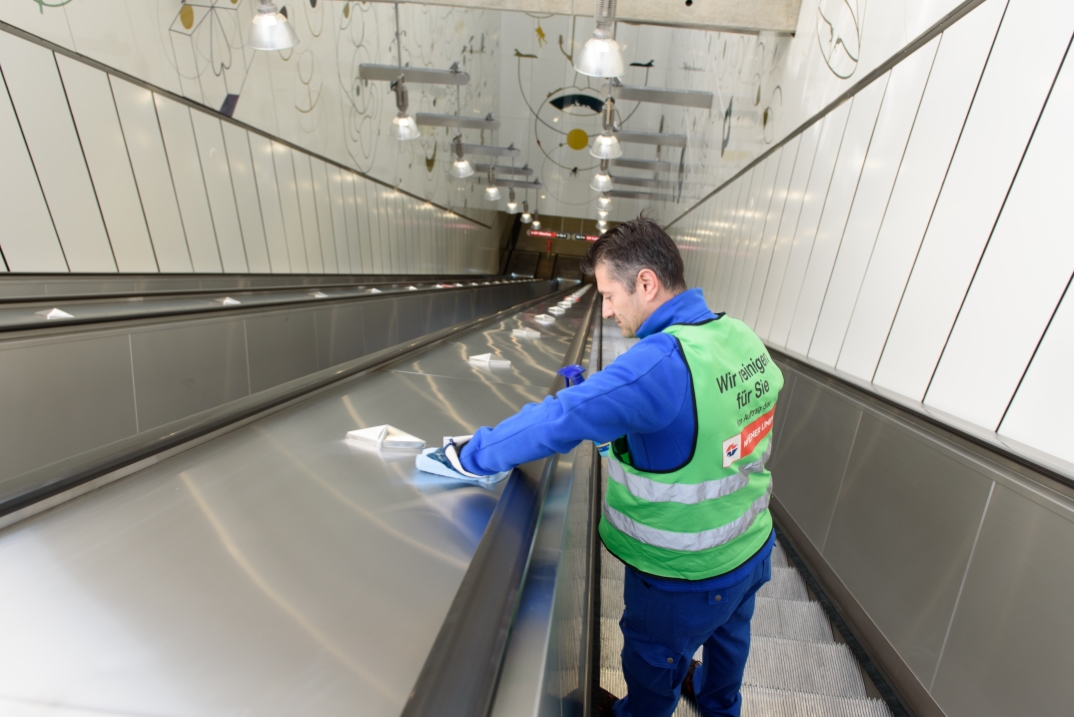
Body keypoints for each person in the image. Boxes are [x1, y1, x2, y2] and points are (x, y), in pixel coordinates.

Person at [430, 216, 784, 717]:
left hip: (683, 577)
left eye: (610, 294)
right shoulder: (737, 335)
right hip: (749, 549)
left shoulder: (658, 363)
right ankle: (720, 706)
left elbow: (560, 416)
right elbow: (703, 428)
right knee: (729, 649)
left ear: (646, 282)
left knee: (651, 677)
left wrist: (467, 456)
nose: (609, 309)